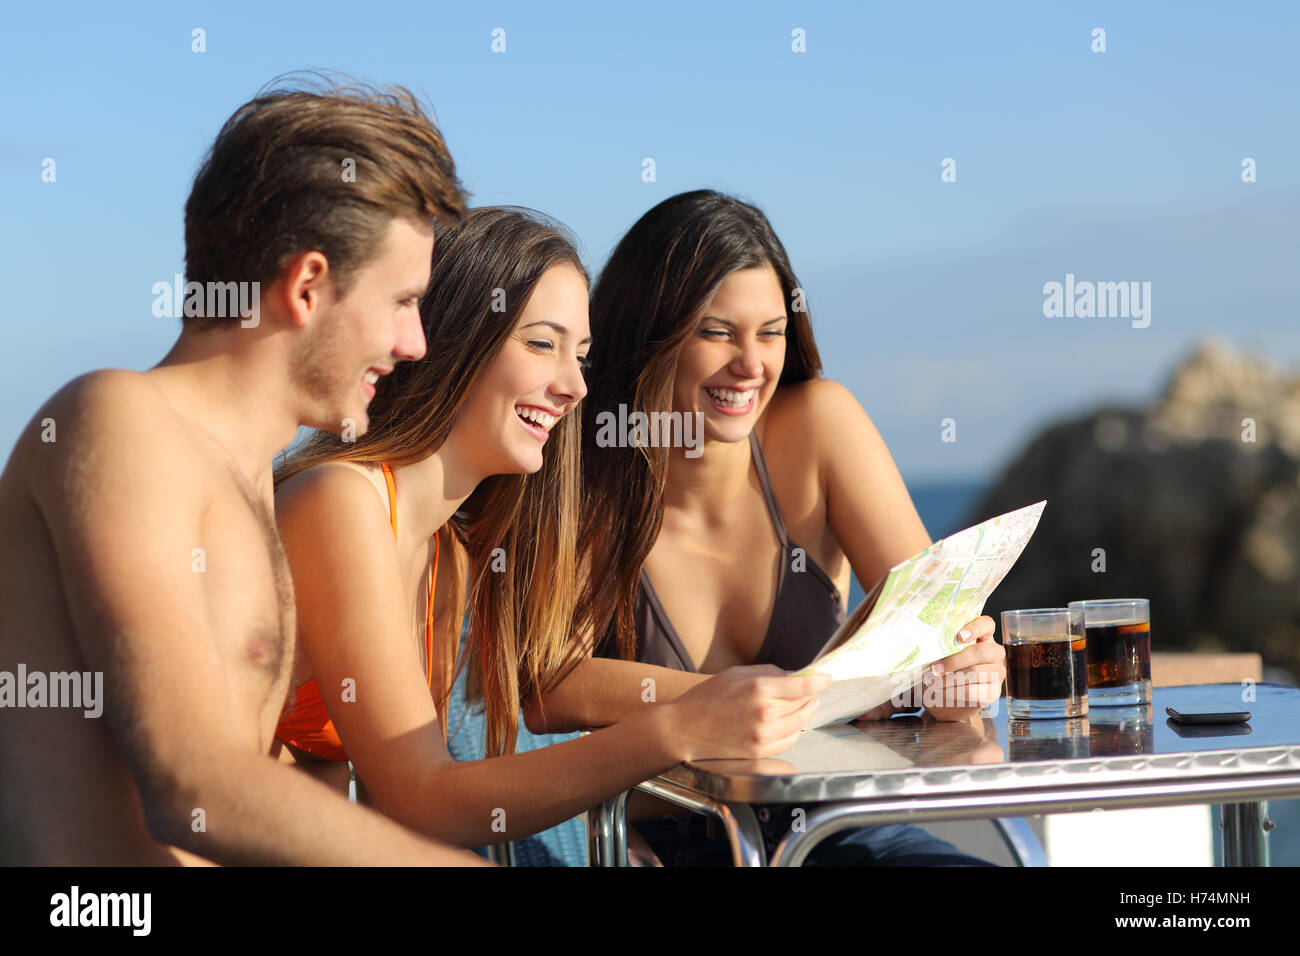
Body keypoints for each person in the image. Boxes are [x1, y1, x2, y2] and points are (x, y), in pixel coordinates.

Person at [0, 79, 487, 865]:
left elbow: (247, 768)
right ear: (306, 287)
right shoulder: (120, 422)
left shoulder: (250, 475)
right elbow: (191, 786)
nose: (415, 343)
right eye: (403, 301)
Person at [270, 206, 829, 848]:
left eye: (582, 358)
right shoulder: (342, 499)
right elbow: (423, 797)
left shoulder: (448, 553)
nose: (573, 387)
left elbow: (378, 798)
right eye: (542, 344)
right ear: (454, 339)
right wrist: (672, 731)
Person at [531, 189, 1007, 865]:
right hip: (657, 840)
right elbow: (549, 684)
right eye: (716, 332)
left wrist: (958, 669)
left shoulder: (820, 426)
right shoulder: (588, 469)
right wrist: (752, 699)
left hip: (835, 830)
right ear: (649, 332)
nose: (750, 364)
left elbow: (925, 623)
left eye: (771, 332)